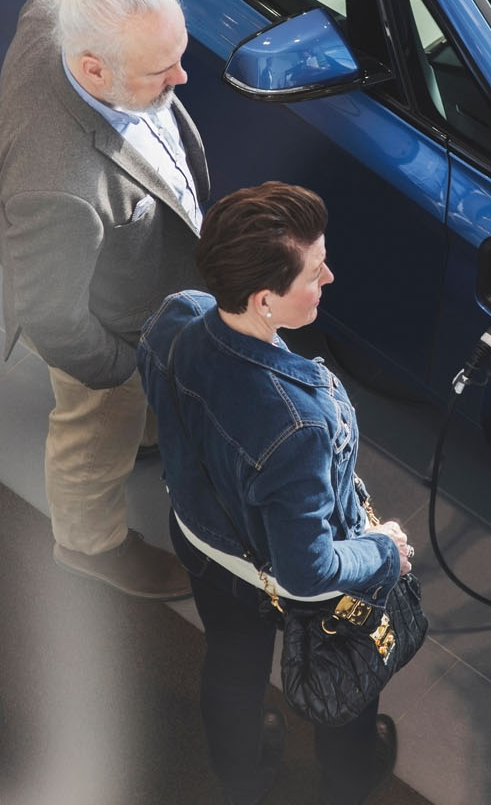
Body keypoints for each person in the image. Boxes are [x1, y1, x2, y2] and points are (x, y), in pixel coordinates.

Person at [138, 182, 409, 805]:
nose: (329, 276)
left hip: (202, 543)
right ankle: (347, 777)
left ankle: (240, 773)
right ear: (265, 300)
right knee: (347, 674)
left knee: (232, 663)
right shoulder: (297, 426)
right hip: (276, 573)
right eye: (315, 272)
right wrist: (382, 551)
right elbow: (308, 572)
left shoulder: (176, 314)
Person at [0, 0, 207, 599]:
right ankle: (90, 546)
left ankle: (143, 433)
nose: (182, 76)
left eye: (179, 52)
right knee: (93, 433)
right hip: (108, 324)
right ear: (93, 69)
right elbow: (52, 317)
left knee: (134, 407)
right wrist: (118, 367)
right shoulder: (59, 186)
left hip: (138, 283)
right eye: (159, 71)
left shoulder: (63, 3)